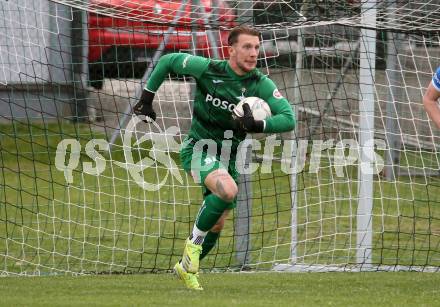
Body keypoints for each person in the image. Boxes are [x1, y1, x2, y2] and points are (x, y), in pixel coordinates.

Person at [133, 26, 295, 290]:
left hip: (228, 158)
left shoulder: (259, 83)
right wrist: (147, 98)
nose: (253, 53)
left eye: (256, 47)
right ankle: (193, 245)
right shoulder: (210, 69)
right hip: (198, 148)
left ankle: (185, 268)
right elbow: (168, 61)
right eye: (246, 47)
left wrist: (257, 126)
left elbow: (288, 118)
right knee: (228, 190)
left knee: (218, 223)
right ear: (231, 49)